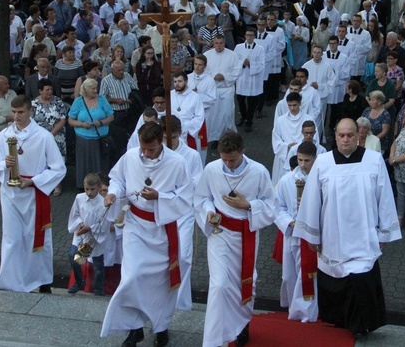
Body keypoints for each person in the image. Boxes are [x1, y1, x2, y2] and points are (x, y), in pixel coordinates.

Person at [294, 119, 401, 339]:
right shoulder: (323, 162)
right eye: (341, 135)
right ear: (335, 136)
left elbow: (385, 197)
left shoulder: (373, 160)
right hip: (333, 234)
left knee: (361, 279)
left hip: (364, 232)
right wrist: (313, 234)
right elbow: (312, 200)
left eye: (350, 135)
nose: (345, 139)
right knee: (337, 279)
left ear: (358, 136)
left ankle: (361, 325)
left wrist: (383, 232)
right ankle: (340, 319)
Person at [101, 122, 191, 347]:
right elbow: (118, 180)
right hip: (136, 226)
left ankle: (161, 327)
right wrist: (112, 194)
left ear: (161, 141)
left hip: (162, 230)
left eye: (151, 149)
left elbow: (186, 197)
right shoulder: (131, 157)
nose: (146, 153)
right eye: (143, 148)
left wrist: (159, 196)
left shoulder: (177, 163)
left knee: (162, 283)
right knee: (132, 277)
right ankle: (135, 328)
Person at [194, 131, 276, 347]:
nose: (228, 165)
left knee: (244, 282)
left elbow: (271, 205)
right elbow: (202, 197)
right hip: (220, 234)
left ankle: (242, 323)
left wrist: (248, 205)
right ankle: (212, 340)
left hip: (246, 234)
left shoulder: (258, 172)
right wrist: (209, 212)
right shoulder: (211, 169)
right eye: (224, 159)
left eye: (233, 159)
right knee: (220, 285)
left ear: (243, 151)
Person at [0, 95, 66, 293]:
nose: (16, 116)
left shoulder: (43, 136)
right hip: (10, 194)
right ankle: (10, 280)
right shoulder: (4, 136)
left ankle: (41, 280)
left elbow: (59, 168)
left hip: (33, 193)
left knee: (36, 238)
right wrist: (4, 164)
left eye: (21, 112)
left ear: (30, 111)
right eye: (13, 112)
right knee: (12, 238)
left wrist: (33, 181)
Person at [159, 115, 203, 312]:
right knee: (162, 257)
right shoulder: (156, 153)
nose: (170, 142)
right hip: (162, 210)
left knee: (183, 257)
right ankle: (162, 298)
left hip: (184, 212)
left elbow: (198, 182)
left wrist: (178, 187)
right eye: (166, 138)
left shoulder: (191, 155)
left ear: (180, 134)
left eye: (174, 137)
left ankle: (182, 302)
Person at [275, 141, 320, 323]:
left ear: (315, 159)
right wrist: (289, 222)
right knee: (288, 274)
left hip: (310, 234)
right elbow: (278, 207)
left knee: (307, 273)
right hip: (292, 233)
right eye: (300, 160)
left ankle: (304, 312)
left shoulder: (321, 179)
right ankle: (290, 304)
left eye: (307, 161)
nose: (302, 164)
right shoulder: (286, 180)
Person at [67, 172, 109, 295]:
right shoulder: (79, 198)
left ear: (99, 187)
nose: (89, 193)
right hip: (80, 234)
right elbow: (74, 214)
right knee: (73, 256)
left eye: (92, 189)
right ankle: (80, 281)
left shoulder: (103, 203)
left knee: (97, 265)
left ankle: (98, 289)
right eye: (86, 189)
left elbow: (104, 224)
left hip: (95, 237)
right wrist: (79, 223)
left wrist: (90, 228)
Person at [68, 78, 114, 188]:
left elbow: (111, 116)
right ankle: (84, 185)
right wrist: (82, 124)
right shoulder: (78, 101)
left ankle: (101, 185)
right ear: (85, 89)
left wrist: (101, 122)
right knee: (84, 163)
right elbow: (70, 120)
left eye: (96, 88)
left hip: (100, 138)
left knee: (101, 163)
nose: (95, 90)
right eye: (92, 88)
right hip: (83, 139)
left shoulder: (102, 99)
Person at [32, 79, 67, 196]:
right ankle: (44, 184)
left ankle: (57, 184)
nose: (49, 92)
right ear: (40, 91)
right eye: (46, 90)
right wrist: (44, 136)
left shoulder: (58, 102)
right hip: (40, 139)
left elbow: (62, 119)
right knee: (42, 160)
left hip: (57, 137)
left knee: (57, 160)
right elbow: (31, 122)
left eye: (51, 89)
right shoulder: (33, 104)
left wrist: (51, 134)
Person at [204, 34, 242, 143]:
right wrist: (213, 77)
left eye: (221, 43)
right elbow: (204, 71)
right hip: (213, 89)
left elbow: (237, 71)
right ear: (213, 43)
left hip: (227, 88)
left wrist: (224, 77)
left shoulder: (232, 55)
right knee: (214, 115)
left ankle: (229, 137)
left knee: (227, 114)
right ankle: (215, 138)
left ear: (224, 43)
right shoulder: (207, 55)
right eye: (216, 43)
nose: (219, 46)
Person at [272, 92, 316, 184]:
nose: (292, 108)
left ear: (300, 103)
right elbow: (276, 138)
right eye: (289, 105)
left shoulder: (308, 119)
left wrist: (300, 145)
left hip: (304, 153)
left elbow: (314, 137)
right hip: (284, 154)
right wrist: (287, 146)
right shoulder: (281, 120)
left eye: (294, 105)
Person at [170, 71, 206, 163]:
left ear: (186, 81)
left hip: (188, 130)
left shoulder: (195, 97)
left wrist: (185, 126)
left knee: (187, 159)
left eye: (180, 81)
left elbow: (199, 116)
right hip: (171, 130)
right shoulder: (170, 95)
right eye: (175, 81)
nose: (177, 84)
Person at [235, 27, 266, 133]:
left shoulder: (260, 49)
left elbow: (262, 64)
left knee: (252, 102)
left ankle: (249, 121)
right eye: (247, 35)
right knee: (240, 99)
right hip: (242, 77)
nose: (249, 37)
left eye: (251, 35)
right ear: (245, 36)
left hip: (253, 78)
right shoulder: (238, 47)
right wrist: (242, 63)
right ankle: (243, 116)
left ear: (254, 36)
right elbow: (234, 61)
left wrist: (251, 64)